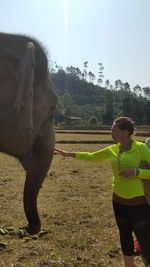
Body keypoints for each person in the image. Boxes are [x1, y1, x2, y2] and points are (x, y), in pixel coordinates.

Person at [55, 117, 150, 267]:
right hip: (118, 201)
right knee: (124, 236)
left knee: (145, 240)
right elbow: (92, 156)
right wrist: (67, 154)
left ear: (125, 132)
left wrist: (136, 171)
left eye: (114, 129)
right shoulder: (113, 149)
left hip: (138, 204)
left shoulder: (141, 148)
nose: (111, 132)